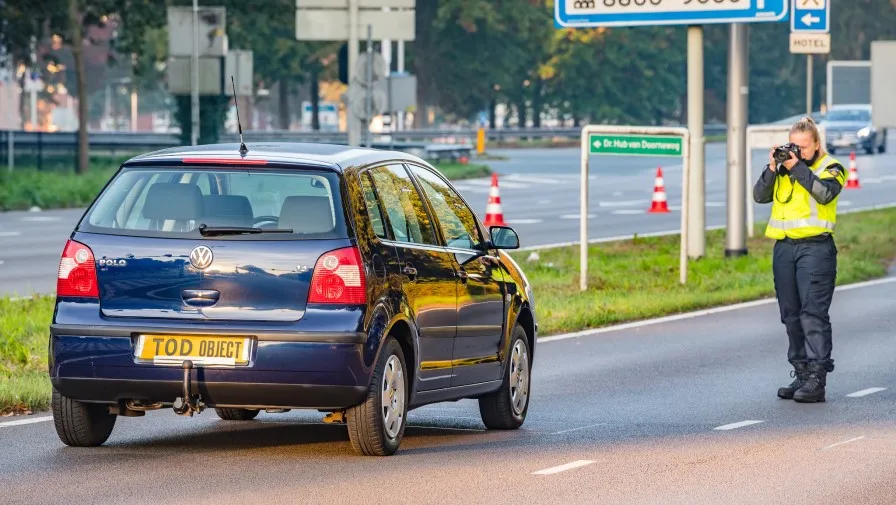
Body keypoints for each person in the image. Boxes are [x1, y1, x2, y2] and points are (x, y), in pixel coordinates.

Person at [753, 116, 848, 404]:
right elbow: (759, 196)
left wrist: (799, 167)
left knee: (813, 315)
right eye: (794, 146)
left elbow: (824, 194)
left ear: (817, 145)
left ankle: (817, 379)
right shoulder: (783, 167)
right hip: (784, 249)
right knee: (790, 314)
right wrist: (773, 167)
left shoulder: (832, 167)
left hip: (815, 250)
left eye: (804, 147)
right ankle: (801, 372)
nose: (798, 151)